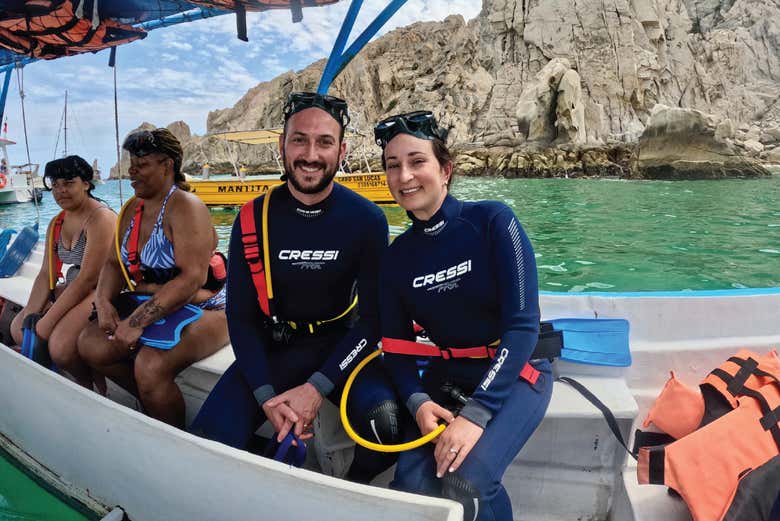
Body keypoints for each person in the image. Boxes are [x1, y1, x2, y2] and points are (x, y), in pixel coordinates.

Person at [191, 92, 398, 483]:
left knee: (384, 424)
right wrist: (267, 396)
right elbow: (240, 317)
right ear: (282, 146)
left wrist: (316, 389)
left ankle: (344, 492)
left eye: (324, 142)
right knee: (209, 441)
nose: (310, 154)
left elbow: (371, 323)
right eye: (299, 139)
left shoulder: (367, 220)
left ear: (342, 150)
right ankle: (272, 474)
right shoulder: (253, 217)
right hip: (276, 347)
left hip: (339, 347)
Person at [374, 111, 552, 521]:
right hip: (449, 378)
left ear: (446, 169)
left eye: (417, 162)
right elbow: (396, 349)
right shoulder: (396, 258)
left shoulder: (492, 221)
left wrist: (477, 412)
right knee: (412, 488)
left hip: (517, 372)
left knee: (467, 479)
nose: (405, 177)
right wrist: (418, 402)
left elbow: (523, 325)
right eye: (393, 165)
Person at [77, 128, 229, 428]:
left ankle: (175, 437)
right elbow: (112, 263)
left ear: (167, 165)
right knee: (89, 344)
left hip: (211, 308)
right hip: (157, 303)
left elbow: (191, 280)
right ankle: (153, 409)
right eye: (131, 162)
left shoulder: (187, 207)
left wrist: (135, 323)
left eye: (141, 164)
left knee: (150, 366)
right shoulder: (133, 208)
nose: (131, 171)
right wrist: (104, 301)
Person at [10, 155, 115, 390]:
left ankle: (90, 388)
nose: (60, 191)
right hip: (75, 286)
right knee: (19, 328)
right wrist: (32, 312)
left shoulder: (101, 218)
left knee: (60, 346)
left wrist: (48, 320)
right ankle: (70, 380)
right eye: (55, 185)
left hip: (102, 289)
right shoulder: (57, 222)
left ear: (86, 183)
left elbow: (89, 278)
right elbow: (47, 273)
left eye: (68, 183)